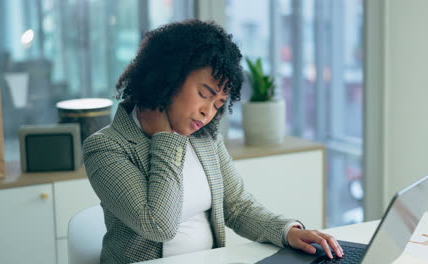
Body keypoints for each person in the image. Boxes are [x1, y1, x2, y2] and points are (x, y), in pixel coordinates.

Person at [83, 19, 343, 264]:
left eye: (219, 104)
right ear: (167, 78)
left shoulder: (204, 139)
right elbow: (158, 225)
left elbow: (237, 206)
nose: (208, 112)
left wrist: (288, 231)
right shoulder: (107, 147)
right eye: (204, 94)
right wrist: (167, 138)